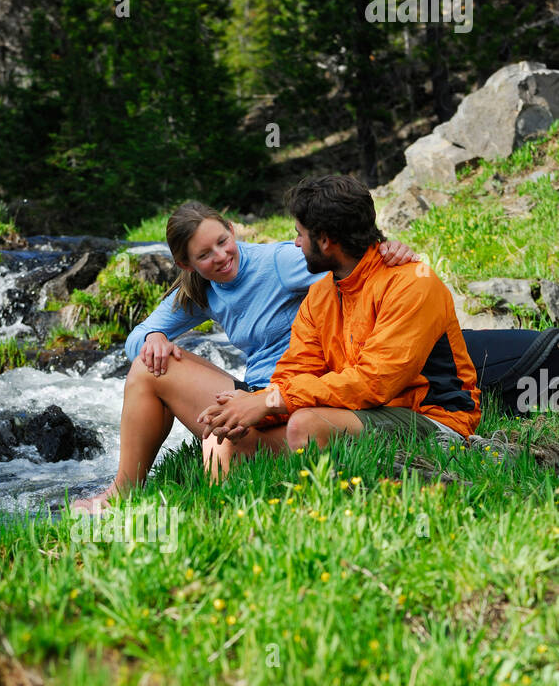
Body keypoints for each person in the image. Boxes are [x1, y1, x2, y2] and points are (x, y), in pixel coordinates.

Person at [70, 199, 416, 512]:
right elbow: (137, 339)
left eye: (222, 242)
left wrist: (387, 250)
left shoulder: (278, 262)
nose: (220, 257)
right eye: (204, 255)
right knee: (149, 367)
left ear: (232, 230)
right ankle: (123, 491)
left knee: (221, 432)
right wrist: (155, 338)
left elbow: (346, 260)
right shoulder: (204, 287)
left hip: (300, 397)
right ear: (185, 264)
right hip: (255, 395)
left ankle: (237, 475)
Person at [197, 174, 481, 476]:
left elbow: (374, 382)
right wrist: (247, 409)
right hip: (357, 414)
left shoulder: (412, 283)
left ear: (325, 240)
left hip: (435, 421)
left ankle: (329, 510)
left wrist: (269, 402)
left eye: (300, 234)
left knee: (306, 425)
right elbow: (295, 372)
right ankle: (233, 516)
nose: (296, 243)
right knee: (228, 437)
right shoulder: (321, 295)